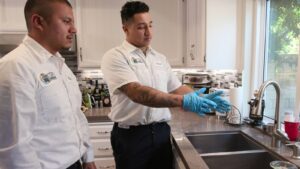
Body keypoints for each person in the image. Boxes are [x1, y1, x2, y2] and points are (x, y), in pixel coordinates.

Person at [101, 1, 231, 169]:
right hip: (131, 137)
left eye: (150, 25)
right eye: (141, 27)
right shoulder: (115, 57)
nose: (149, 32)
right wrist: (183, 102)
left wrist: (200, 97)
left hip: (161, 132)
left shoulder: (159, 58)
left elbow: (176, 87)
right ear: (125, 29)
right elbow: (137, 92)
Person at [0, 0, 96, 169]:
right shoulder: (16, 66)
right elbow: (16, 148)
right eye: (66, 21)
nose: (74, 29)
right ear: (38, 22)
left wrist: (87, 157)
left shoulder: (59, 64)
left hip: (76, 163)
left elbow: (76, 116)